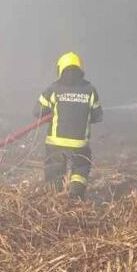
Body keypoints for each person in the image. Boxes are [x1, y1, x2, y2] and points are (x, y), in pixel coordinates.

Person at [34, 52, 102, 199]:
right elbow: (97, 116)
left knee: (54, 169)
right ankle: (75, 195)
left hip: (56, 142)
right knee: (81, 166)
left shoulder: (53, 89)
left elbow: (38, 112)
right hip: (79, 143)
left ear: (61, 69)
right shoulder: (90, 90)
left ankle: (53, 199)